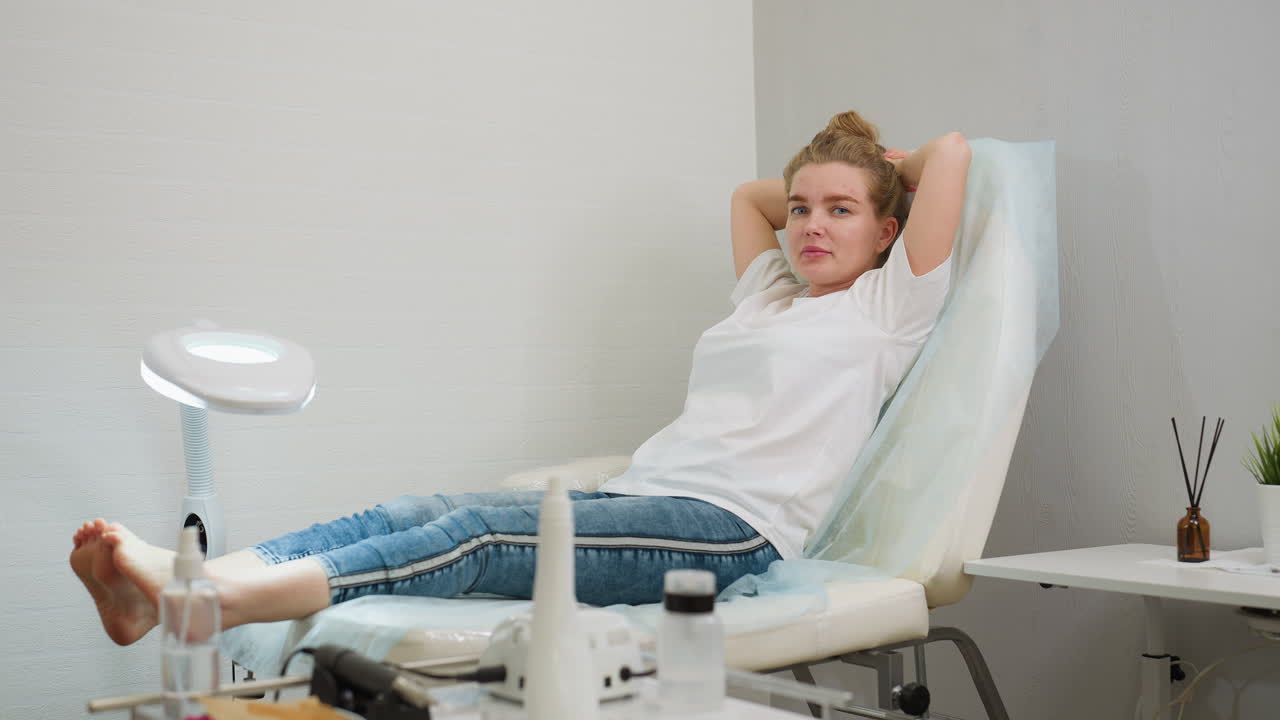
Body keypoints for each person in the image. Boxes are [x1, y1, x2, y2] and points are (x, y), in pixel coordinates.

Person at [71, 111, 971, 646]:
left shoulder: (886, 312)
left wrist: (883, 168)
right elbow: (749, 199)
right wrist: (835, 175)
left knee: (474, 539)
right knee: (416, 512)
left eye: (841, 212)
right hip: (647, 495)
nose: (809, 225)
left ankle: (208, 604)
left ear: (889, 230)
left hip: (736, 530)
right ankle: (175, 584)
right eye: (805, 209)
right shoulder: (767, 291)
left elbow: (955, 152)